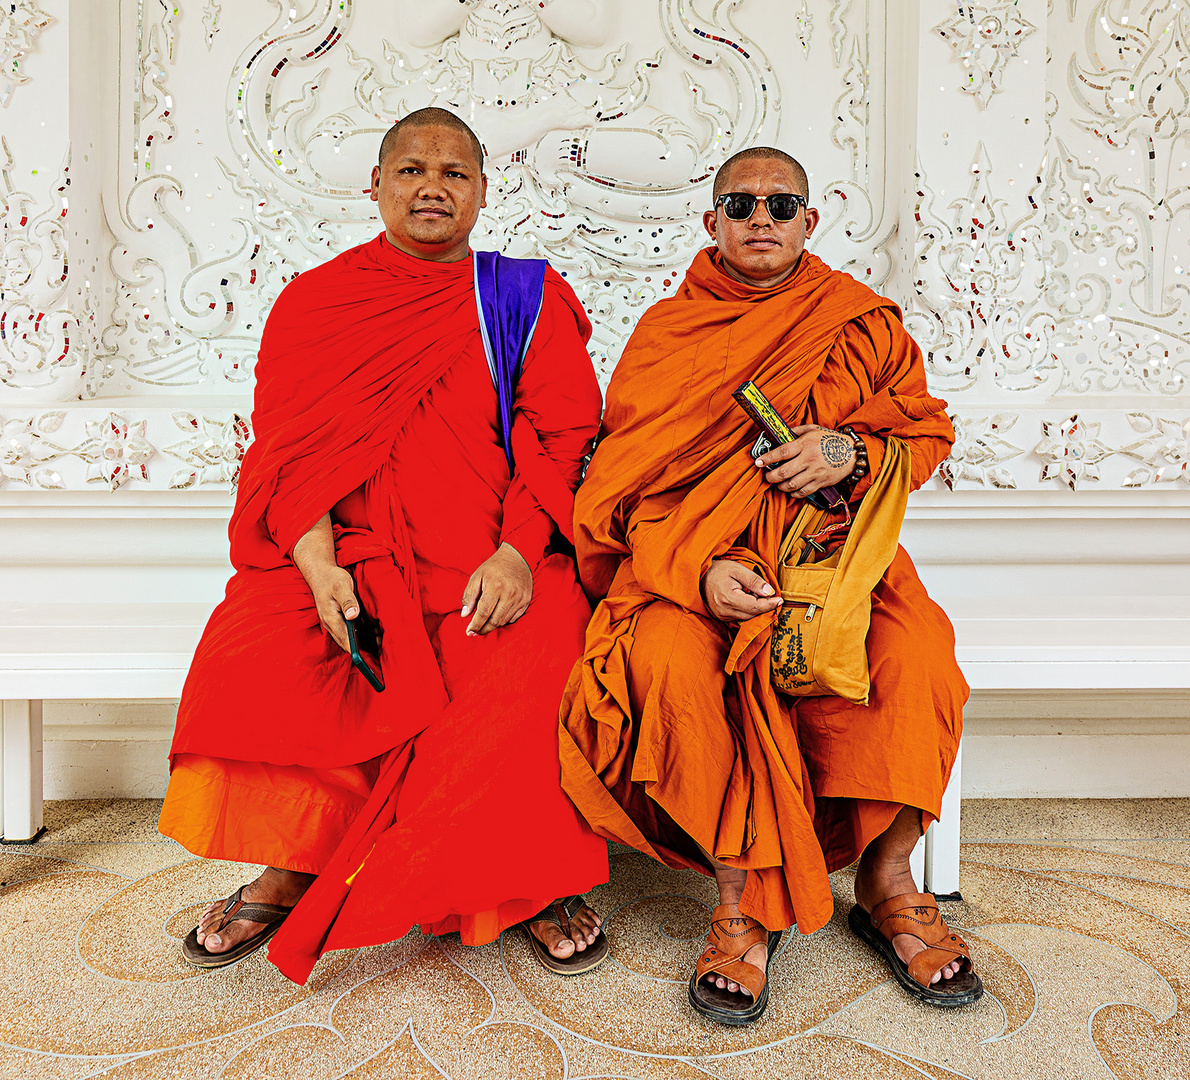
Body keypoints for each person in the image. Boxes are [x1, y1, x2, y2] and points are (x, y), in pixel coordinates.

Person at [158, 107, 609, 984]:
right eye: (410, 170)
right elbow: (286, 451)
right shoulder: (318, 300)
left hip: (490, 551)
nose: (431, 186)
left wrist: (519, 553)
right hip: (352, 548)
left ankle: (531, 881)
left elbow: (563, 438)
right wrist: (320, 566)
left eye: (453, 173)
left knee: (537, 651)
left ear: (482, 192)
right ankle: (293, 862)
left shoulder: (521, 296)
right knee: (255, 647)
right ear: (375, 187)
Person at [557, 146, 981, 1024]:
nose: (761, 217)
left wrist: (850, 451)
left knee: (915, 654)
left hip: (830, 561)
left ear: (808, 223)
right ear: (710, 223)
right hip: (693, 569)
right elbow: (621, 497)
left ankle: (887, 880)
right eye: (740, 204)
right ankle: (741, 899)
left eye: (781, 205)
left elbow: (925, 435)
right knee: (673, 663)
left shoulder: (859, 322)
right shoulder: (664, 337)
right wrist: (699, 575)